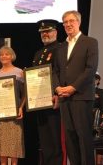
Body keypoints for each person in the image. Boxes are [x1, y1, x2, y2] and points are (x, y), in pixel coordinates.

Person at [53, 10, 98, 165]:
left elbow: (90, 69)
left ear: (79, 22)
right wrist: (58, 88)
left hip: (81, 96)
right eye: (65, 22)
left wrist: (73, 87)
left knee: (83, 136)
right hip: (64, 98)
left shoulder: (90, 42)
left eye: (71, 21)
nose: (68, 24)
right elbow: (56, 71)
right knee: (70, 138)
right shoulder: (61, 47)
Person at [32, 19, 64, 165]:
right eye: (43, 32)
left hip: (53, 101)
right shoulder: (39, 53)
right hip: (39, 102)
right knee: (45, 141)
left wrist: (58, 95)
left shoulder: (61, 48)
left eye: (48, 31)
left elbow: (61, 74)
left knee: (55, 140)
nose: (45, 34)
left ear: (55, 32)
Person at [0, 46, 26, 165]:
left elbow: (25, 93)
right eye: (1, 55)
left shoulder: (19, 72)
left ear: (12, 56)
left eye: (7, 54)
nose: (4, 56)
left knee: (13, 145)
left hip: (13, 113)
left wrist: (21, 107)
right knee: (1, 146)